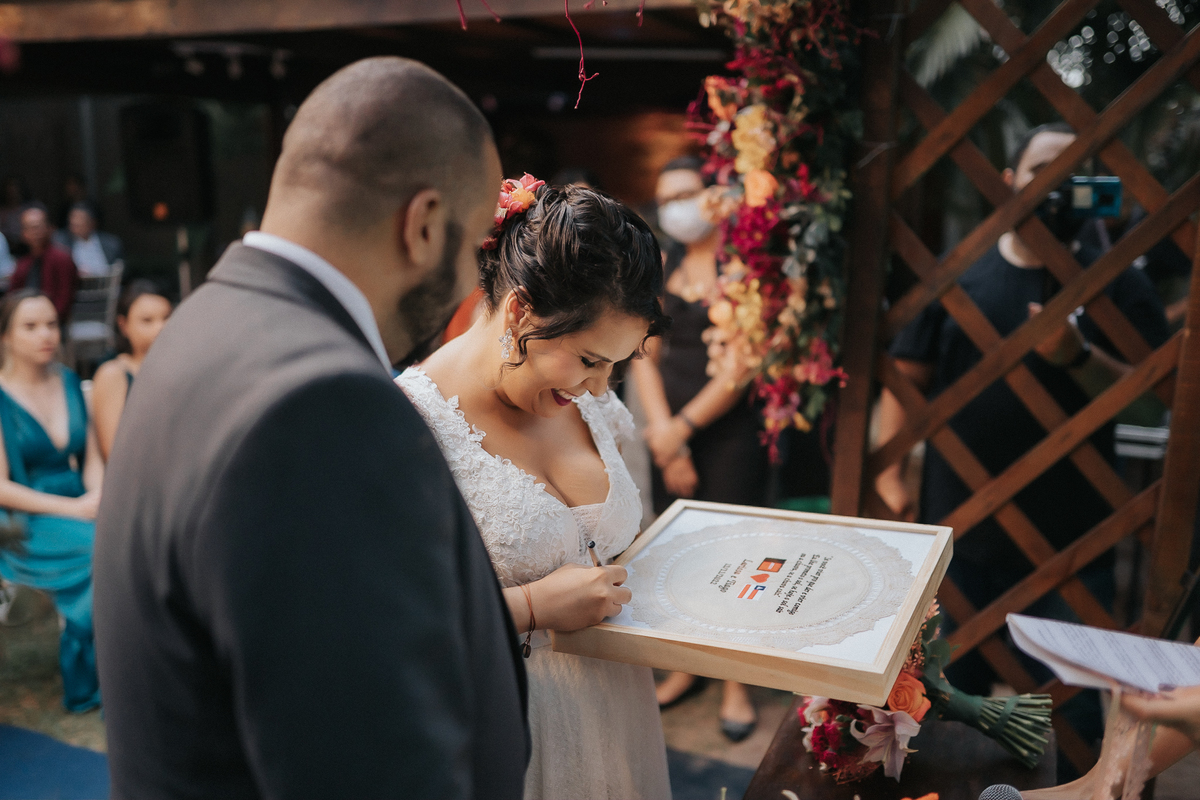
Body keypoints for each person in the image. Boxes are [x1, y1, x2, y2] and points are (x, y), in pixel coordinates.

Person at [93, 57, 529, 799]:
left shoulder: (202, 322)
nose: (470, 283)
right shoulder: (324, 408)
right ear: (424, 225)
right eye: (473, 250)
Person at [398, 179, 673, 800]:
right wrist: (529, 607)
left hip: (619, 707)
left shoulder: (587, 399)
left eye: (616, 365)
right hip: (505, 726)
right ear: (520, 311)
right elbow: (388, 622)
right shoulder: (409, 424)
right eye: (590, 360)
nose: (600, 388)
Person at [628, 156, 768, 742]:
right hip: (670, 430)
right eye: (666, 199)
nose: (677, 207)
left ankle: (735, 681)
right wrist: (664, 437)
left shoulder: (745, 269)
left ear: (716, 195)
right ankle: (688, 663)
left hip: (729, 433)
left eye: (687, 193)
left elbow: (742, 367)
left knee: (735, 554)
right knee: (680, 549)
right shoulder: (662, 268)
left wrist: (681, 430)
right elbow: (644, 355)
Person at [0, 289, 103, 711]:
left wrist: (99, 496)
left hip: (80, 502)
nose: (45, 334)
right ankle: (88, 681)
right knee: (102, 552)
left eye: (51, 324)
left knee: (134, 542)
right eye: (30, 326)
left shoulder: (69, 381)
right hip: (25, 516)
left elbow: (92, 459)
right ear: (5, 337)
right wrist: (74, 509)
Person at [91, 281, 171, 461]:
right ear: (123, 325)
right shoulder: (114, 374)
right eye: (147, 320)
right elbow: (114, 452)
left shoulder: (180, 367)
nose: (161, 327)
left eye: (167, 317)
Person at [11, 204, 78, 322]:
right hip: (24, 320)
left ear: (49, 228)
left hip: (54, 322)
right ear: (23, 234)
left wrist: (48, 321)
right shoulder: (23, 264)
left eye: (38, 227)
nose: (35, 232)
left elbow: (65, 298)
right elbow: (12, 296)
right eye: (30, 228)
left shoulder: (62, 258)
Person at [52, 202, 122, 278]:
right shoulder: (60, 242)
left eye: (80, 218)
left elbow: (119, 268)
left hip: (105, 282)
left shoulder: (111, 243)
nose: (75, 221)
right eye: (72, 217)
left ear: (92, 223)